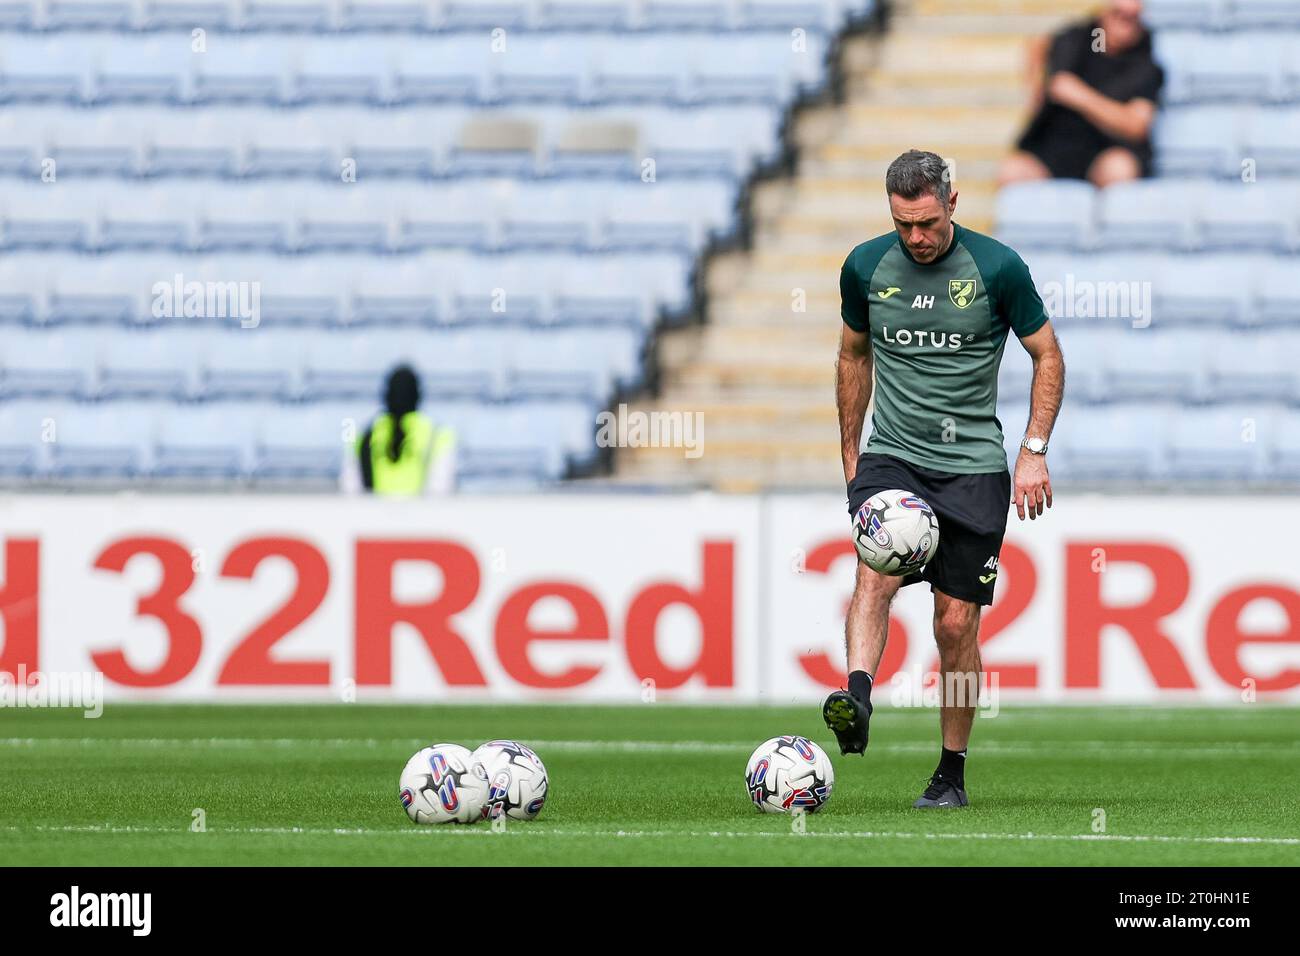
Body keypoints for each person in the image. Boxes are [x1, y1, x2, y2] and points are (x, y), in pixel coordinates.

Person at [825, 150, 1065, 808]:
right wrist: (853, 457)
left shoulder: (997, 268)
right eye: (903, 224)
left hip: (972, 468)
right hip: (893, 456)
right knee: (875, 568)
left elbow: (1047, 354)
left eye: (926, 223)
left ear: (952, 204)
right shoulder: (865, 267)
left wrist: (1034, 450)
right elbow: (852, 355)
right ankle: (858, 697)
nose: (916, 238)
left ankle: (950, 772)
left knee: (956, 624)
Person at [1000, 0, 1163, 187]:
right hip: (1054, 147)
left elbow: (1136, 127)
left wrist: (1077, 94)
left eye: (1132, 18)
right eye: (1118, 14)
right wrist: (1036, 91)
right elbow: (1037, 45)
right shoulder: (1079, 38)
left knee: (1119, 169)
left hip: (1103, 152)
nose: (1124, 23)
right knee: (1012, 171)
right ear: (1104, 12)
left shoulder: (1144, 65)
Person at [343, 365, 457, 496]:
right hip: (421, 514)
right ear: (418, 395)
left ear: (386, 395)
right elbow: (440, 489)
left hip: (373, 514)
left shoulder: (364, 435)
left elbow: (351, 488)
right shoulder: (439, 435)